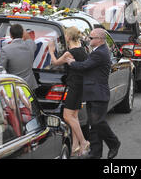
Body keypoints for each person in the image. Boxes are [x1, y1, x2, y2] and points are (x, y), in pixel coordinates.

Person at [64, 28, 120, 159]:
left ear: (100, 40)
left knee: (98, 122)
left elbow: (84, 66)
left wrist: (71, 62)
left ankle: (114, 142)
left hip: (98, 94)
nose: (89, 40)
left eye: (91, 38)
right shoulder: (97, 51)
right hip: (93, 93)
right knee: (93, 125)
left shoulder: (99, 53)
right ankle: (95, 153)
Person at [48, 26, 90, 157]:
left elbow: (55, 62)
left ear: (69, 37)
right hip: (80, 85)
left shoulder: (69, 53)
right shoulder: (82, 50)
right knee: (74, 116)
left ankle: (83, 142)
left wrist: (51, 50)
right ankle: (75, 146)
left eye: (65, 35)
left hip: (74, 86)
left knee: (67, 116)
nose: (64, 37)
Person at [0, 24, 38, 90]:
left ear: (11, 35)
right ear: (23, 34)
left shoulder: (5, 49)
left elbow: (1, 70)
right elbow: (29, 39)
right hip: (28, 86)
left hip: (13, 87)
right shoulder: (30, 45)